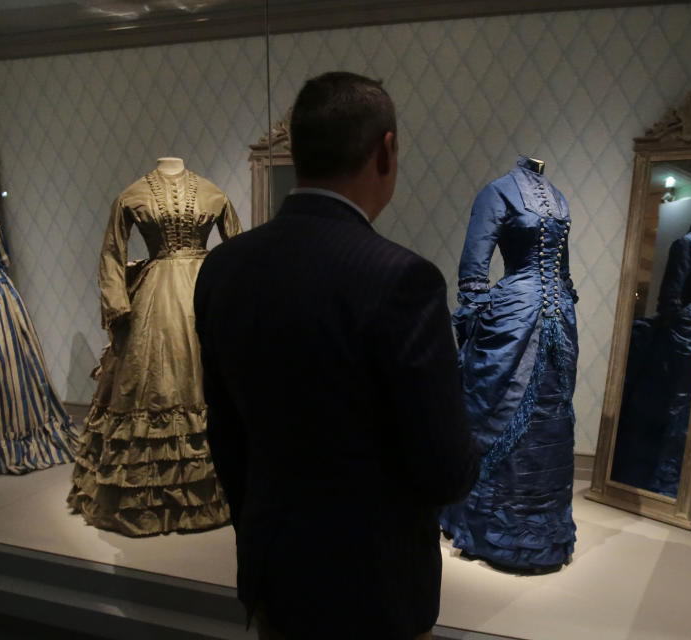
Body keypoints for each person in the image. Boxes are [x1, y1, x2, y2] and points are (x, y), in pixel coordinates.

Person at [193, 71, 480, 640]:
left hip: (274, 567)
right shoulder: (403, 280)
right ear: (387, 151)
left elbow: (226, 437)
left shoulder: (224, 268)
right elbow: (443, 469)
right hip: (373, 590)